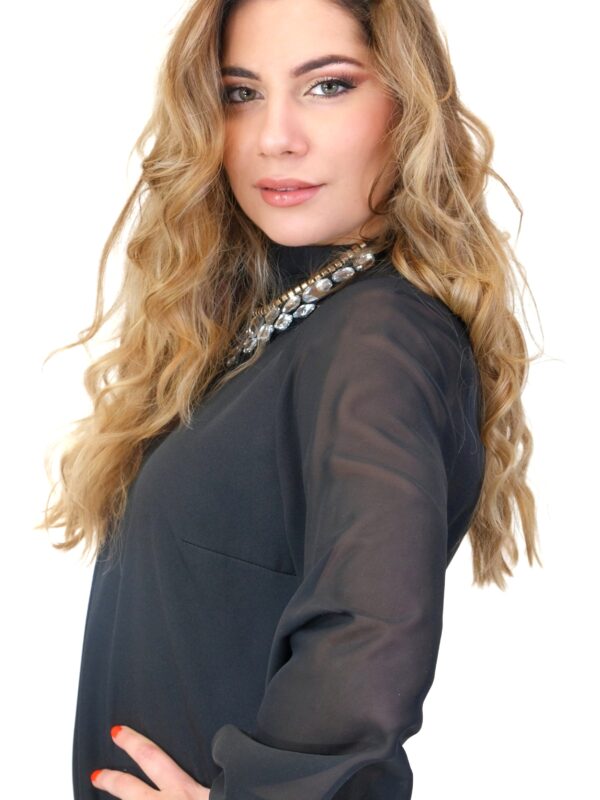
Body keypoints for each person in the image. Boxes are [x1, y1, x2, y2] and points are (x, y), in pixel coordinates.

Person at [38, 0, 542, 798]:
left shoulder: (377, 336)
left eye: (328, 86)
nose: (275, 136)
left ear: (409, 105)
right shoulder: (283, 320)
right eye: (241, 93)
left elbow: (372, 629)